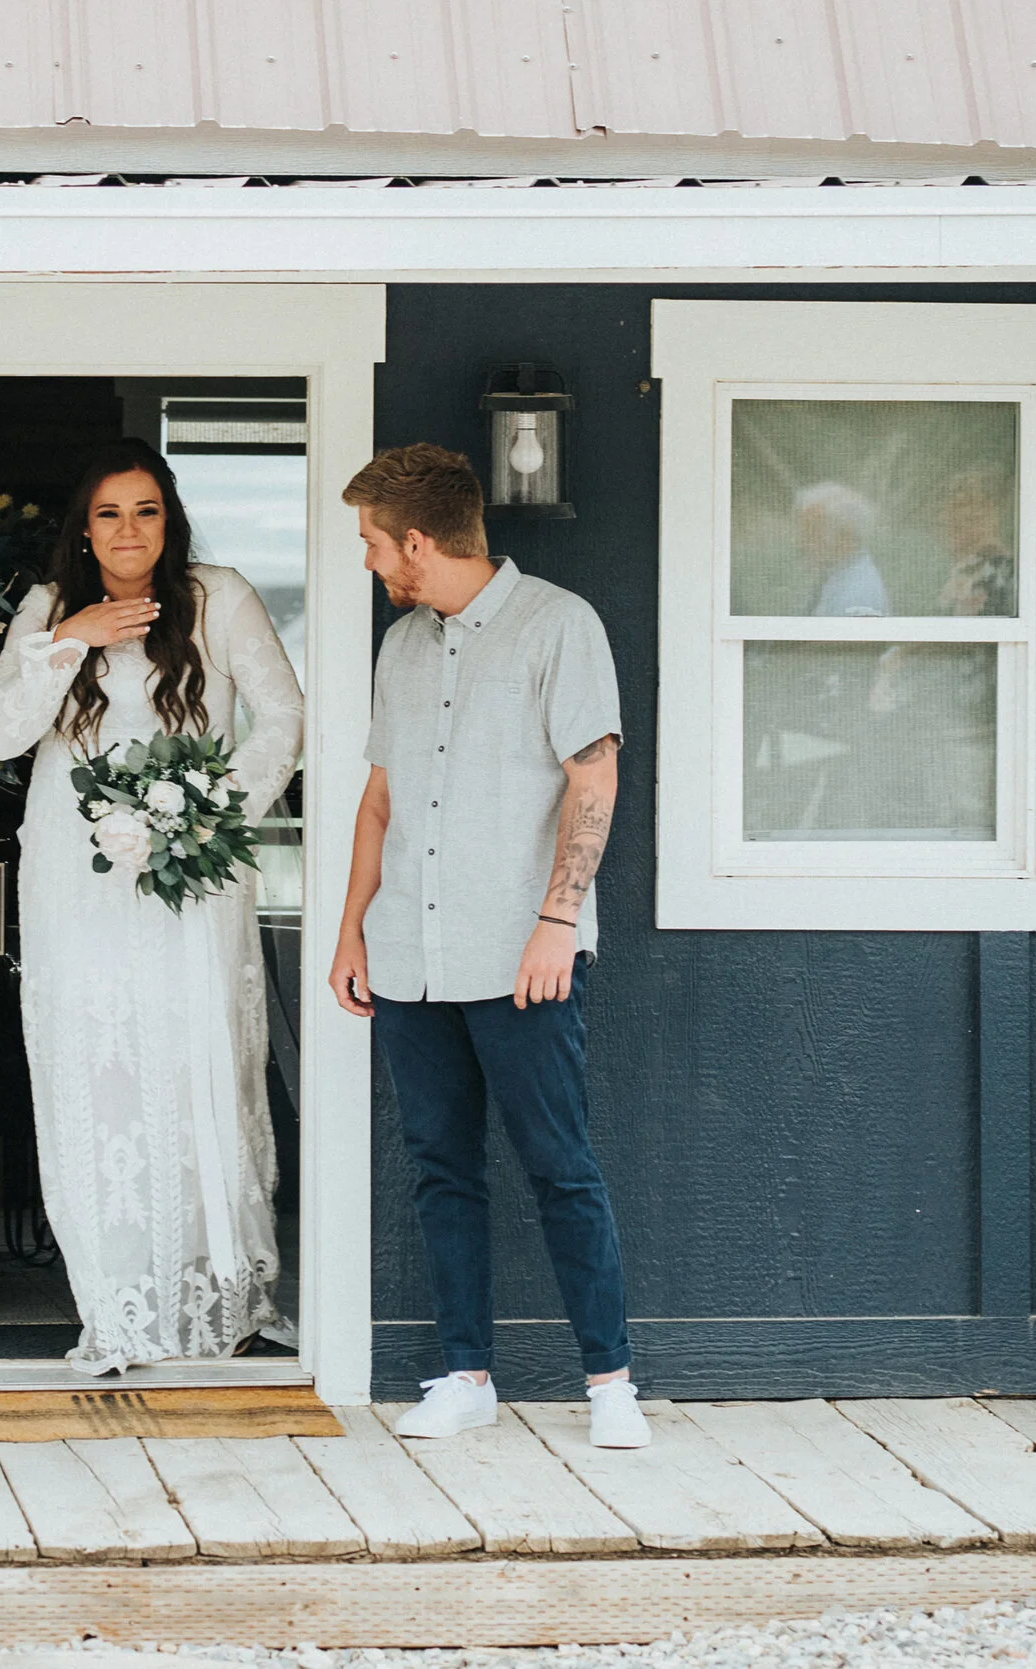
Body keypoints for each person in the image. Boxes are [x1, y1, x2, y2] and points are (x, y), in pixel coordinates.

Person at [326, 443, 648, 1449]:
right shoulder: (403, 648)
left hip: (521, 957)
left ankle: (610, 1384)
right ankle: (464, 1374)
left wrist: (557, 921)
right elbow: (378, 799)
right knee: (439, 1165)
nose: (371, 563)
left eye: (374, 544)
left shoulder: (560, 626)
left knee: (559, 1165)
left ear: (416, 541)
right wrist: (349, 932)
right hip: (407, 954)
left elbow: (590, 780)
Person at [0, 440, 305, 1374]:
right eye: (110, 513)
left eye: (147, 510)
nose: (130, 530)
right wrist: (71, 637)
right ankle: (118, 1310)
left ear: (172, 518)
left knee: (200, 1067)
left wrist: (208, 812)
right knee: (98, 1075)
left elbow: (282, 715)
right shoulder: (50, 611)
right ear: (85, 527)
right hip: (76, 885)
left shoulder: (218, 596)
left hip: (191, 877)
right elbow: (2, 730)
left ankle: (221, 1302)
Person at [793, 481, 889, 618]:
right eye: (802, 533)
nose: (800, 544)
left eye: (811, 534)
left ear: (845, 536)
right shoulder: (838, 576)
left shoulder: (859, 596)